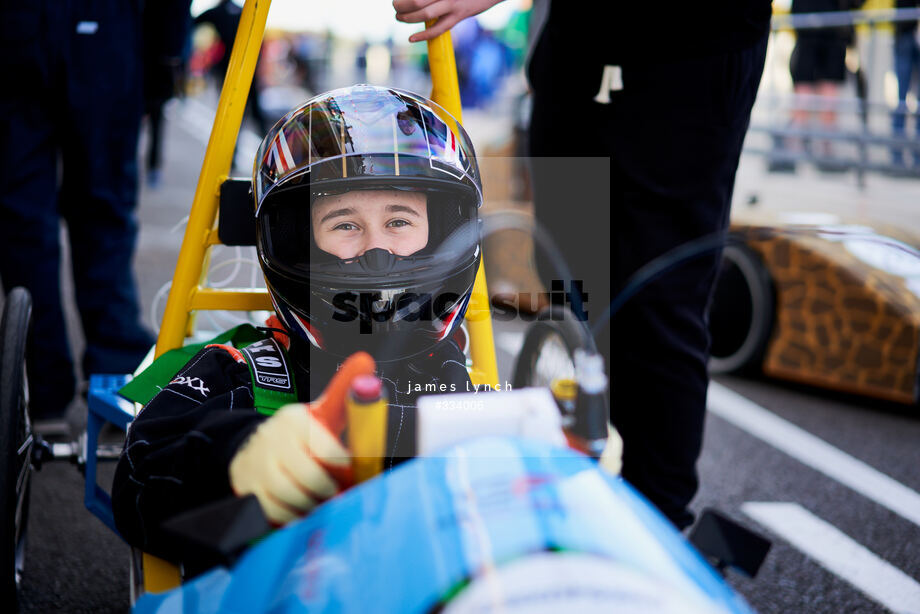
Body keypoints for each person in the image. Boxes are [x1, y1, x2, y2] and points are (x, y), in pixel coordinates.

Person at [395, 0, 771, 529]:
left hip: (686, 50)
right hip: (577, 45)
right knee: (571, 283)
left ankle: (658, 525)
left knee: (658, 294)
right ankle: (591, 484)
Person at [112, 85, 483, 559]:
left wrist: (567, 452)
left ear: (443, 232)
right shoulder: (241, 371)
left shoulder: (453, 378)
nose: (377, 256)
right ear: (296, 241)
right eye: (345, 225)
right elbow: (140, 479)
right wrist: (241, 460)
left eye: (399, 222)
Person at [0, 1, 190, 434]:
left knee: (23, 220)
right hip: (106, 31)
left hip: (18, 32)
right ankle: (116, 376)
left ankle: (42, 391)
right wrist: (166, 55)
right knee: (102, 214)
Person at [892, 0, 920, 169]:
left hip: (905, 30)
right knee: (901, 99)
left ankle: (915, 156)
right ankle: (897, 155)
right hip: (905, 31)